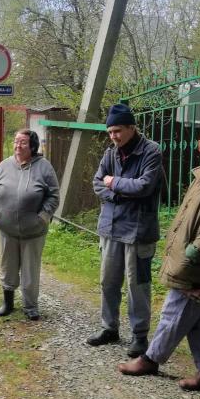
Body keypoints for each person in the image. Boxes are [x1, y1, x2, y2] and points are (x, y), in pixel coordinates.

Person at [118, 128, 200, 391]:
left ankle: (151, 359)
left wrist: (195, 251)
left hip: (199, 263)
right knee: (199, 318)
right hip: (191, 258)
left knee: (174, 312)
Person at [86, 104, 164, 357]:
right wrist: (118, 193)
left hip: (138, 232)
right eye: (110, 132)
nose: (113, 137)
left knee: (137, 285)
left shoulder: (151, 152)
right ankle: (109, 328)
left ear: (132, 127)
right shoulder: (111, 154)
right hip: (110, 228)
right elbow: (98, 183)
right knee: (108, 281)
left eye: (117, 131)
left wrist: (113, 183)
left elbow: (143, 187)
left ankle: (139, 336)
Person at [0, 129, 60, 320]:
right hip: (7, 230)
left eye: (23, 142)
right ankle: (8, 303)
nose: (18, 146)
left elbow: (54, 195)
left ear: (33, 146)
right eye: (16, 141)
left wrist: (43, 217)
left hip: (34, 232)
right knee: (7, 267)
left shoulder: (44, 167)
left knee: (30, 270)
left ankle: (30, 306)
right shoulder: (4, 165)